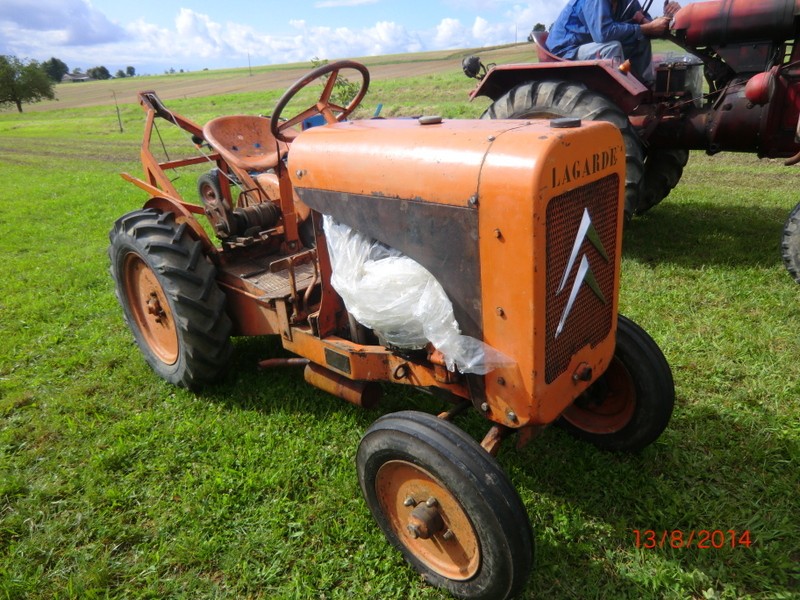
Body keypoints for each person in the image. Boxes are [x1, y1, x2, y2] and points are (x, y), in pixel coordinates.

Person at [546, 0, 681, 86]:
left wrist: (667, 18)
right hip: (567, 51)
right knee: (612, 47)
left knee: (641, 39)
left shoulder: (628, 2)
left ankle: (645, 86)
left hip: (591, 46)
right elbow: (603, 34)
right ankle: (622, 94)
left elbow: (650, 29)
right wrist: (646, 28)